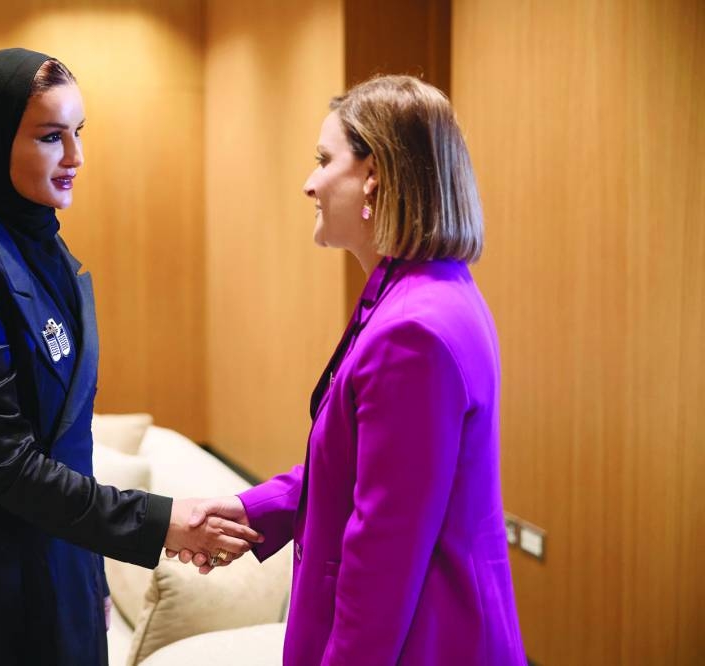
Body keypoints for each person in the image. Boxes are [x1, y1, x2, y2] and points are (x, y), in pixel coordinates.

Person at [0, 48, 259, 666]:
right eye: (49, 137)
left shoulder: (51, 253)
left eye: (79, 133)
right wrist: (160, 522)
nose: (76, 158)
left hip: (65, 556)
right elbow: (7, 466)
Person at [173, 75, 527, 664]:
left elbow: (383, 556)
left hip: (427, 640)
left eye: (323, 160)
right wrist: (253, 508)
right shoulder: (420, 293)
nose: (309, 183)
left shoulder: (412, 330)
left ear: (374, 175)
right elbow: (361, 468)